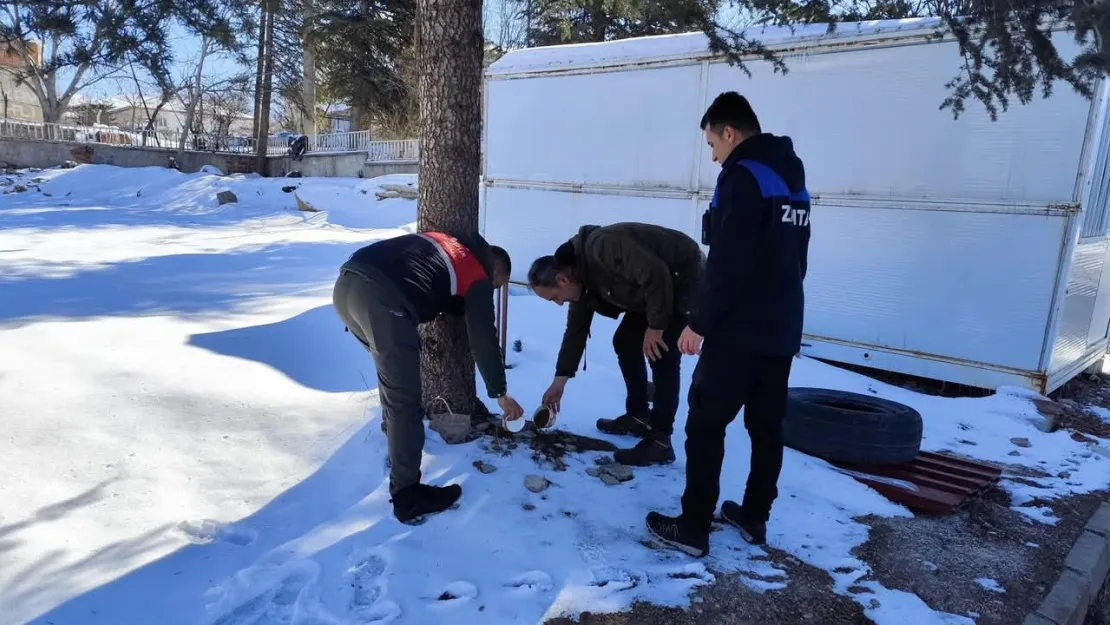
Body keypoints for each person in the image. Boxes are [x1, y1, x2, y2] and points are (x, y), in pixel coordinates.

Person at [645, 91, 812, 557]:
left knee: (704, 423)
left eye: (713, 144)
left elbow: (728, 259)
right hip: (781, 326)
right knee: (765, 427)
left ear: (729, 132)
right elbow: (797, 257)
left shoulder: (741, 176)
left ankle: (694, 526)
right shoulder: (792, 177)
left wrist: (700, 321)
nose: (713, 155)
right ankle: (754, 516)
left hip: (738, 329)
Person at [333, 231, 525, 525]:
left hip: (347, 285)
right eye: (496, 285)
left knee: (394, 386)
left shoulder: (450, 244)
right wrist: (500, 392)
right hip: (382, 298)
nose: (491, 290)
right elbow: (484, 337)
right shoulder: (477, 271)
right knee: (405, 401)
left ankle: (397, 441)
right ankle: (408, 497)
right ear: (496, 269)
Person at [528, 223, 705, 466]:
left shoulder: (604, 247)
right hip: (650, 292)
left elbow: (656, 273)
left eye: (555, 297)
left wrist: (656, 327)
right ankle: (638, 415)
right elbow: (575, 332)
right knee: (625, 341)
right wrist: (560, 381)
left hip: (681, 277)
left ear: (562, 278)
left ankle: (660, 441)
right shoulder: (580, 279)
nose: (559, 303)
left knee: (660, 352)